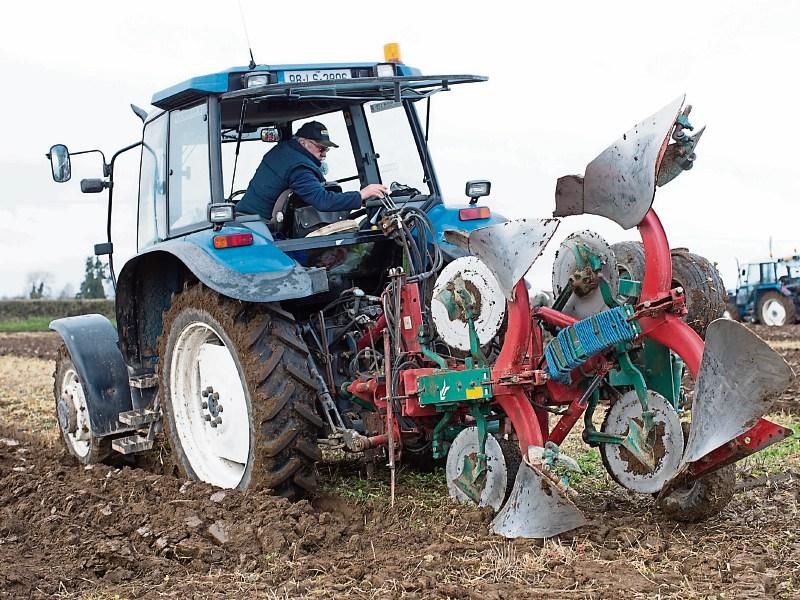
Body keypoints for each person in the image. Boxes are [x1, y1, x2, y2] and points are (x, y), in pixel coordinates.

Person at [236, 120, 387, 221]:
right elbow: (322, 201)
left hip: (247, 216)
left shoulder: (284, 150)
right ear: (303, 142)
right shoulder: (299, 167)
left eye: (327, 149)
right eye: (320, 148)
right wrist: (362, 195)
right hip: (261, 225)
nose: (324, 153)